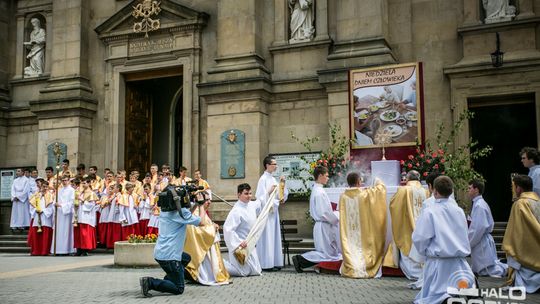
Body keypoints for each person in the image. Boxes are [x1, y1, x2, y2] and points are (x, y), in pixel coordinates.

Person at [412, 176, 473, 304]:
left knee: (436, 296)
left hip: (438, 264)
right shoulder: (459, 211)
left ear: (434, 191)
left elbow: (420, 237)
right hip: (458, 263)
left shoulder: (430, 211)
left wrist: (424, 251)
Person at [139, 185, 203, 297]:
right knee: (179, 288)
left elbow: (186, 215)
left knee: (186, 258)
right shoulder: (178, 213)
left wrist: (196, 204)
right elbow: (201, 222)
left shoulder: (166, 210)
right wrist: (201, 205)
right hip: (170, 257)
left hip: (161, 253)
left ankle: (168, 280)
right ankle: (150, 282)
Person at [337, 172, 387, 278]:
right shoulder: (364, 194)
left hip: (349, 233)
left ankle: (351, 264)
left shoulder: (343, 196)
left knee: (350, 245)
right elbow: (380, 190)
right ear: (359, 182)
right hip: (363, 233)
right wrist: (378, 181)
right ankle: (364, 267)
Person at [293, 166, 341, 272]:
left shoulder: (317, 190)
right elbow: (324, 213)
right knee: (328, 254)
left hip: (322, 225)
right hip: (324, 225)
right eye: (326, 176)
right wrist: (338, 215)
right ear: (320, 176)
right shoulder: (319, 192)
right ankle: (300, 259)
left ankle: (301, 261)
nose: (328, 178)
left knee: (327, 252)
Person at [502, 174, 540, 293]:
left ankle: (517, 283)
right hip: (536, 243)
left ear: (519, 188)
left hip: (525, 244)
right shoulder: (537, 201)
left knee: (513, 249)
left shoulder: (520, 203)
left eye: (514, 187)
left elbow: (516, 229)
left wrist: (511, 243)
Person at [389, 170, 430, 281]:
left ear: (407, 179)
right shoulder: (426, 191)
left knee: (407, 245)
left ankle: (415, 274)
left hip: (408, 226)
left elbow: (393, 205)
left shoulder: (403, 190)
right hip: (423, 227)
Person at [184, 191, 230, 285]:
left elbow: (205, 224)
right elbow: (195, 229)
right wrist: (212, 228)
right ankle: (205, 276)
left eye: (210, 200)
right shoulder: (196, 212)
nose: (209, 202)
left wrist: (212, 225)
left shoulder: (202, 211)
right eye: (206, 200)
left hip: (207, 244)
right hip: (202, 246)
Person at [467, 179, 507, 277]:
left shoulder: (479, 205)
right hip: (481, 240)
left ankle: (510, 269)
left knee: (488, 270)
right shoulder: (478, 203)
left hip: (481, 241)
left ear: (476, 190)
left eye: (469, 188)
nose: (467, 190)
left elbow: (478, 229)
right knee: (482, 269)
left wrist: (468, 243)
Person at [255, 155, 288, 271]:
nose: (276, 166)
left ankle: (274, 262)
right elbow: (259, 198)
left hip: (273, 213)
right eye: (274, 164)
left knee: (273, 238)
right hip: (266, 213)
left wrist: (282, 186)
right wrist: (269, 192)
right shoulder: (263, 179)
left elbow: (279, 196)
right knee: (267, 238)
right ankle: (265, 264)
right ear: (267, 165)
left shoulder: (273, 179)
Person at [223, 183, 262, 277]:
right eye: (246, 194)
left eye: (250, 193)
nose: (249, 196)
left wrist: (272, 191)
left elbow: (261, 201)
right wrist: (238, 243)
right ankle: (218, 265)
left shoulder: (251, 205)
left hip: (250, 245)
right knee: (243, 272)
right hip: (240, 247)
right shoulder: (236, 211)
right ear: (239, 195)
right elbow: (228, 229)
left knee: (255, 270)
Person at [27, 181, 54, 255]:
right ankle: (36, 251)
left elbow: (51, 208)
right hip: (37, 216)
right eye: (43, 186)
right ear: (41, 187)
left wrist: (43, 211)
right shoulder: (36, 195)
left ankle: (44, 251)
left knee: (45, 235)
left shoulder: (50, 196)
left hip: (45, 217)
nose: (45, 188)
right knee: (36, 235)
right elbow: (31, 206)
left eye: (46, 187)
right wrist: (36, 210)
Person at [51, 175, 76, 255]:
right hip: (59, 214)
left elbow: (72, 202)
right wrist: (55, 204)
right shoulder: (59, 190)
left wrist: (62, 205)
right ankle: (58, 250)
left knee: (67, 231)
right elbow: (55, 200)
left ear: (69, 181)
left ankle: (68, 250)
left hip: (67, 214)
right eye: (63, 180)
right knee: (59, 231)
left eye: (66, 180)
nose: (64, 182)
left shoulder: (72, 190)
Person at [74, 177, 98, 256]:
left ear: (89, 183)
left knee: (84, 233)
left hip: (86, 216)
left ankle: (85, 250)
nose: (83, 185)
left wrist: (82, 200)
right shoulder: (80, 193)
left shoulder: (91, 193)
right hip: (78, 214)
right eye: (82, 183)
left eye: (84, 183)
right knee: (78, 233)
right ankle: (78, 249)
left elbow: (91, 205)